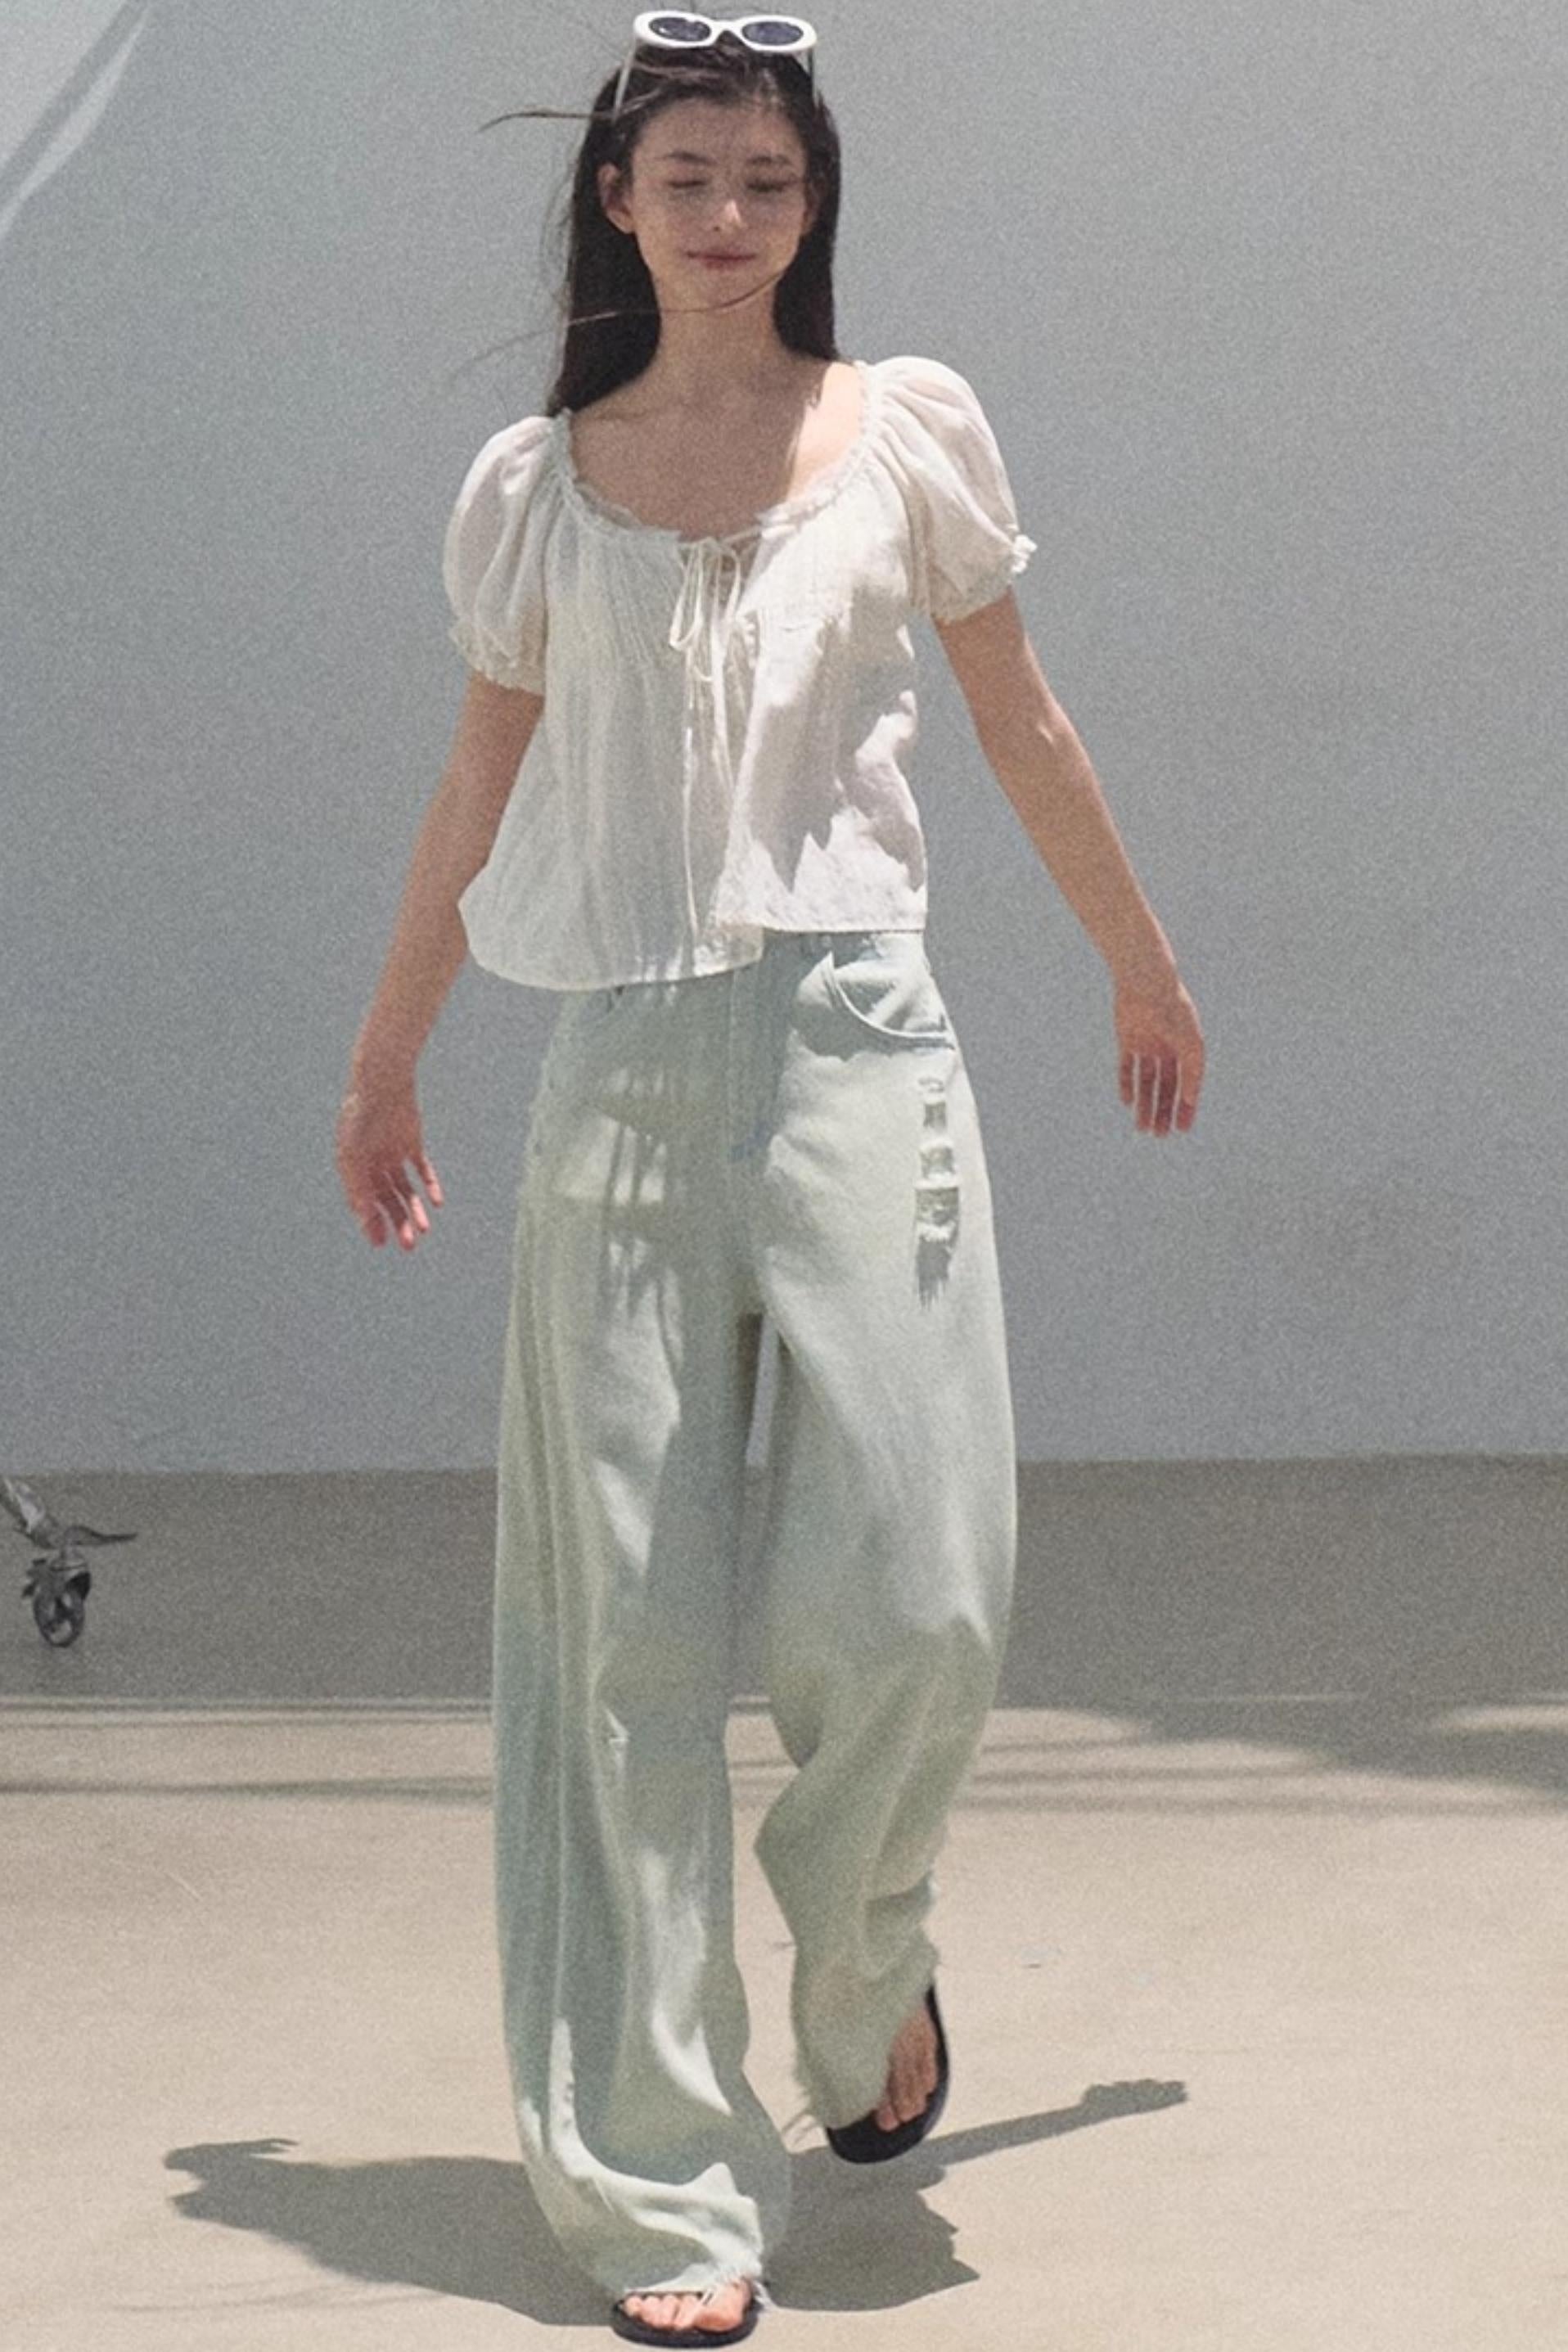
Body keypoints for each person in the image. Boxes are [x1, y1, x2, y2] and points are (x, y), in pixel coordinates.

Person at [335, 14, 1205, 2345]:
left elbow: (1018, 718)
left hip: (858, 1048)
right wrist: (389, 1054)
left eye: (771, 184)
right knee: (616, 1648)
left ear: (813, 208)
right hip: (619, 1071)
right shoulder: (536, 487)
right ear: (618, 201)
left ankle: (863, 1966)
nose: (730, 218)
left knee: (919, 1590)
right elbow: (473, 789)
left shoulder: (903, 430)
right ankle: (660, 2191)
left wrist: (1137, 962)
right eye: (692, 178)